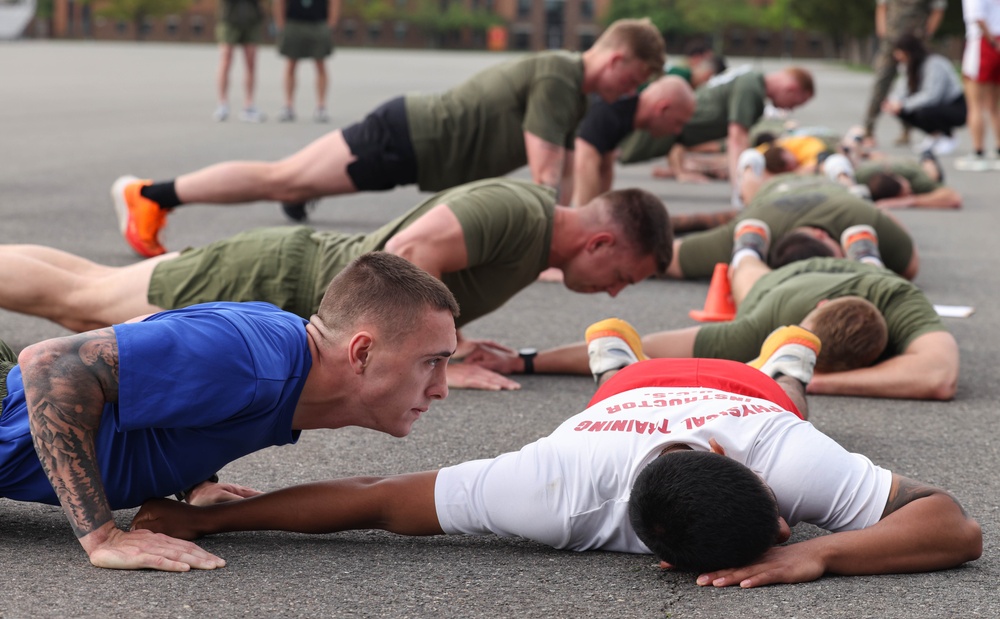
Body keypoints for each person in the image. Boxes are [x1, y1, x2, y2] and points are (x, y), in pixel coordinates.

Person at [129, 337, 981, 587]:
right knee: (764, 381)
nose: (792, 521)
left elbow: (958, 523)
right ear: (662, 558)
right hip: (674, 394)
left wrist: (819, 549)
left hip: (728, 394)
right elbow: (372, 498)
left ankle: (776, 352)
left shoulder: (781, 453)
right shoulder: (557, 489)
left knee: (787, 376)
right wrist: (204, 516)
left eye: (781, 520)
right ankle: (763, 355)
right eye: (789, 525)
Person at [1, 252, 459, 571]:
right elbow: (49, 363)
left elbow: (144, 345)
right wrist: (102, 536)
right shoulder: (252, 361)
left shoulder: (288, 360)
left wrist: (192, 480)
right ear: (361, 353)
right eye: (431, 362)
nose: (440, 389)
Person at [0, 179, 673, 391]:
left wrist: (452, 345)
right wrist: (448, 356)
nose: (615, 294)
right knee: (78, 304)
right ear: (601, 241)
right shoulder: (519, 212)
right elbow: (404, 254)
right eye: (622, 277)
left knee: (89, 285)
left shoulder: (530, 229)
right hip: (282, 274)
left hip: (286, 272)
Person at [111, 18, 666, 257]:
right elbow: (547, 177)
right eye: (634, 79)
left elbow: (559, 176)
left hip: (410, 148)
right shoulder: (561, 75)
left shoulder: (573, 90)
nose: (627, 93)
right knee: (281, 178)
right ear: (617, 58)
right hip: (403, 135)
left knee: (288, 179)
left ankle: (163, 194)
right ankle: (151, 195)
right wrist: (557, 243)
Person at [467, 220, 959, 401]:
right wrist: (522, 359)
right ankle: (751, 243)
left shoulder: (898, 299)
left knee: (754, 275)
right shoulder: (771, 325)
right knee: (747, 276)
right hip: (782, 282)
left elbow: (642, 347)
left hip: (840, 279)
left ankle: (852, 246)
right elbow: (652, 347)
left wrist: (524, 359)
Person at [615, 66, 815, 206]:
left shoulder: (750, 78)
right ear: (793, 89)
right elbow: (737, 138)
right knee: (614, 148)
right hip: (668, 126)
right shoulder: (751, 86)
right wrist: (741, 192)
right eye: (796, 103)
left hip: (675, 129)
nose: (791, 109)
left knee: (612, 149)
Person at [665, 172, 920, 280]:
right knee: (748, 199)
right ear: (820, 234)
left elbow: (666, 256)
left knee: (749, 196)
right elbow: (910, 265)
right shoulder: (865, 219)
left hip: (780, 187)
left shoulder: (747, 230)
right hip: (790, 188)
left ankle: (750, 170)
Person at [572, 75, 697, 206]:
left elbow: (604, 167)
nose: (678, 130)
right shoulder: (613, 107)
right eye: (678, 123)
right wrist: (586, 220)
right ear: (662, 108)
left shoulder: (624, 112)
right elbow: (584, 161)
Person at [862, 0, 948, 144]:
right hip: (892, 41)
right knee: (881, 83)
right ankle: (868, 129)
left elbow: (938, 10)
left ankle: (907, 130)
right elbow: (882, 7)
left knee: (913, 85)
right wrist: (884, 32)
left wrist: (927, 33)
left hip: (915, 43)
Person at [881, 34, 966, 155]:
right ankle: (934, 136)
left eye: (898, 52)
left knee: (923, 111)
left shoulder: (934, 64)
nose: (896, 56)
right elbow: (902, 89)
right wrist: (893, 102)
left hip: (956, 107)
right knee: (901, 110)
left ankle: (948, 137)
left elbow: (932, 96)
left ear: (908, 51)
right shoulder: (908, 66)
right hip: (935, 106)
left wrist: (903, 104)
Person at [274, 0, 341, 123]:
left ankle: (321, 106)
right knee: (291, 64)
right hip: (294, 22)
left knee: (320, 65)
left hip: (318, 22)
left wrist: (332, 22)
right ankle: (288, 105)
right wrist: (280, 22)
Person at [956, 0, 1000, 170]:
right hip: (996, 41)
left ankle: (978, 153)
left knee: (975, 104)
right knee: (994, 105)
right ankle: (998, 151)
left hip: (982, 42)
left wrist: (992, 42)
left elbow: (978, 18)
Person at [214, 0, 267, 122]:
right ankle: (222, 104)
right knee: (226, 57)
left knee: (251, 60)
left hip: (252, 19)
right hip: (229, 18)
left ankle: (248, 105)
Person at [856, 154, 963, 208]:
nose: (909, 190)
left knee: (933, 175)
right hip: (885, 163)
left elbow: (954, 198)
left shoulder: (915, 180)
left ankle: (928, 157)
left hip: (920, 167)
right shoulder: (860, 177)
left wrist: (909, 201)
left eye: (908, 190)